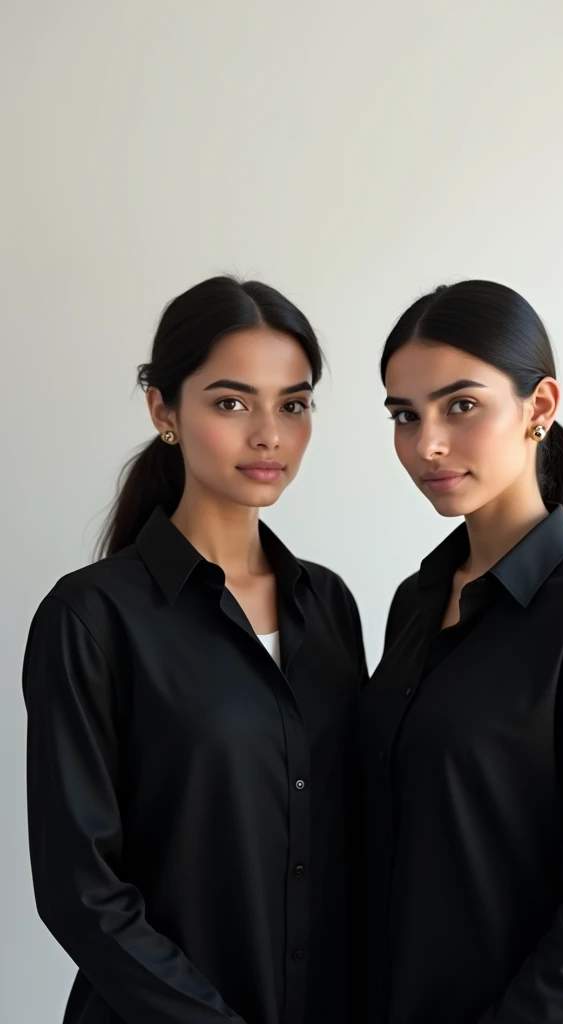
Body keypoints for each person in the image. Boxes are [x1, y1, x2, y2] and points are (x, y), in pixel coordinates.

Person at [23, 275, 367, 1024]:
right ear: (163, 409)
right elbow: (81, 890)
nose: (269, 434)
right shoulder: (91, 618)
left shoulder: (331, 606)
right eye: (231, 402)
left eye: (294, 404)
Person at [361, 280, 563, 1024]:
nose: (426, 443)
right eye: (405, 415)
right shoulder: (415, 603)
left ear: (539, 408)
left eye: (460, 405)